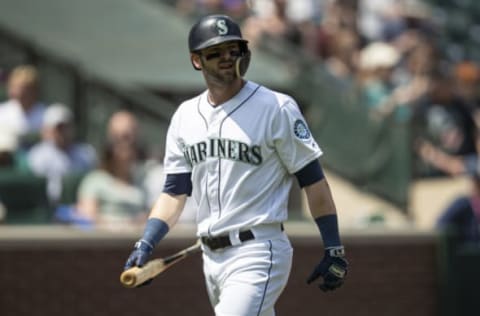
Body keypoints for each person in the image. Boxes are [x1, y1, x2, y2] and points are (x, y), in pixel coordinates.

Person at [123, 14, 348, 315]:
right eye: (215, 52)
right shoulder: (184, 116)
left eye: (233, 49)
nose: (227, 58)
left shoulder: (276, 107)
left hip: (258, 250)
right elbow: (174, 193)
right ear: (197, 61)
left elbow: (313, 181)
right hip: (210, 256)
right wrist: (145, 244)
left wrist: (334, 247)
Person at [27, 103, 97, 203]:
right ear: (48, 129)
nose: (63, 132)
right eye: (58, 128)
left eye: (66, 126)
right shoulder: (38, 155)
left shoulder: (86, 153)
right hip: (50, 205)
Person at [75, 139, 148, 230]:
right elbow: (87, 215)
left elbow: (144, 214)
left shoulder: (140, 183)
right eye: (122, 152)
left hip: (136, 237)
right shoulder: (95, 180)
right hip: (104, 238)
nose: (128, 156)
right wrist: (120, 225)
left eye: (131, 153)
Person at [0, 65, 46, 148]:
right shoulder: (2, 112)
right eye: (15, 87)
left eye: (24, 89)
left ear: (34, 90)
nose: (19, 92)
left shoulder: (46, 115)